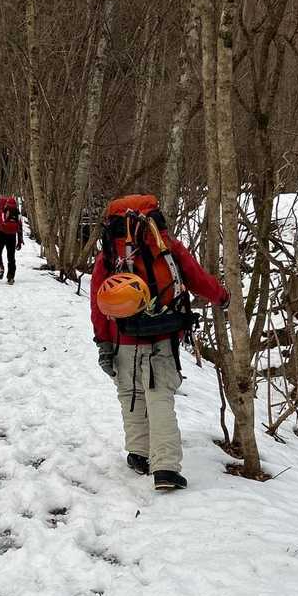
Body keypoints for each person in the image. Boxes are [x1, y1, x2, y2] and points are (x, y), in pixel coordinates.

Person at [91, 194, 228, 492]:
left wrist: (103, 343)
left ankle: (139, 454)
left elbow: (98, 302)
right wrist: (222, 296)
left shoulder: (109, 255)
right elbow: (196, 277)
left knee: (131, 395)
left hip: (122, 338)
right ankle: (165, 468)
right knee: (159, 398)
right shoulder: (167, 247)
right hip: (162, 338)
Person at [0, 195, 23, 283]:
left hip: (0, 234)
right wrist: (20, 241)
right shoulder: (16, 212)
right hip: (12, 236)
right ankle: (11, 277)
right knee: (11, 257)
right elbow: (19, 227)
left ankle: (0, 267)